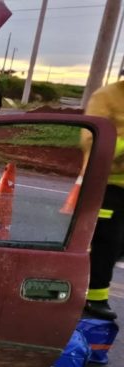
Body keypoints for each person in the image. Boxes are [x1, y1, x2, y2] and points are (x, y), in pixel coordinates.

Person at [81, 78, 124, 320]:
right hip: (106, 183)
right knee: (108, 239)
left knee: (117, 244)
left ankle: (87, 280)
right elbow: (92, 139)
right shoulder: (106, 96)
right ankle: (95, 299)